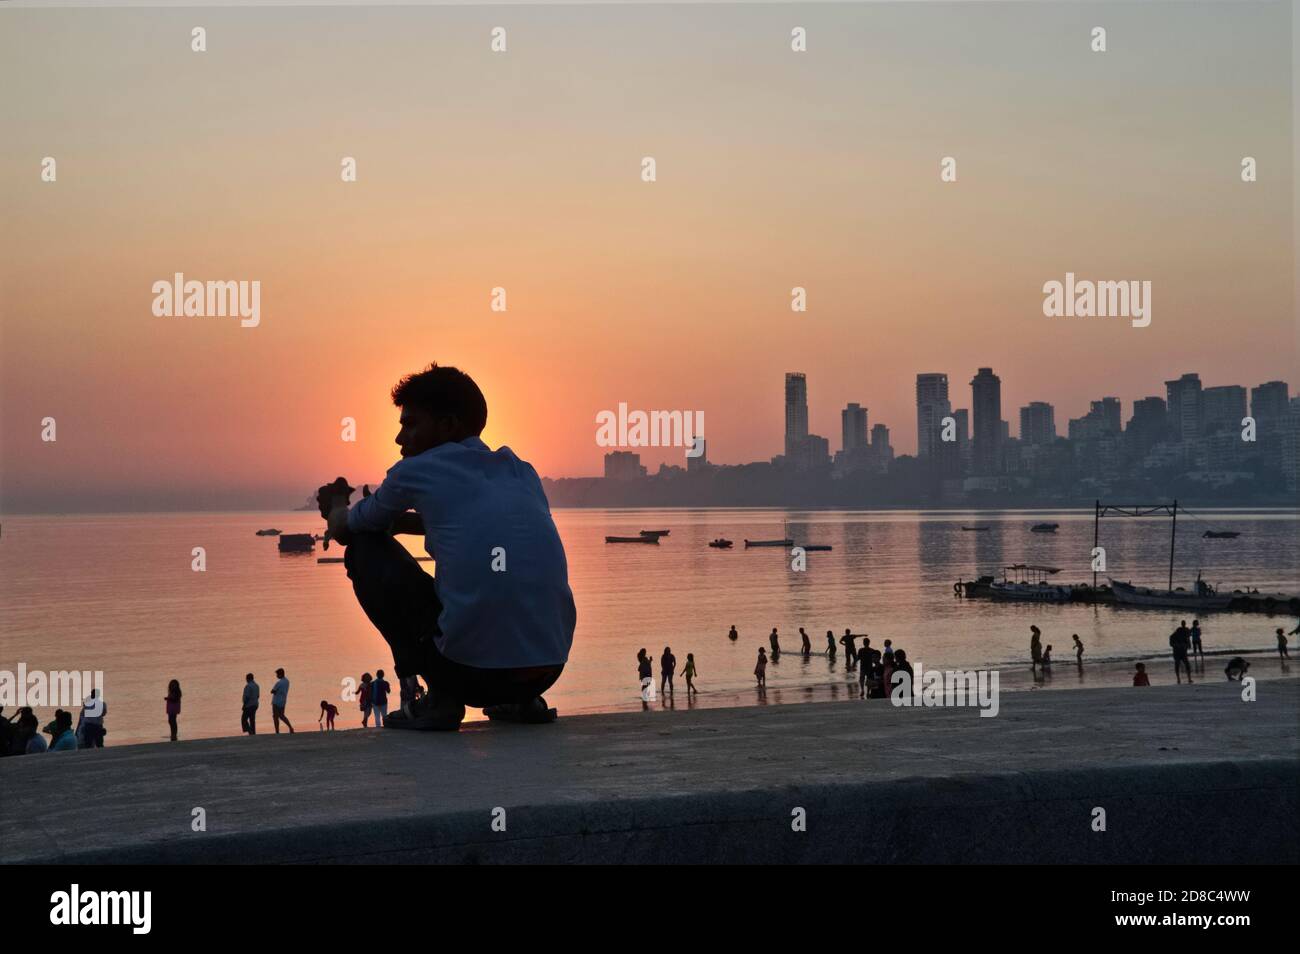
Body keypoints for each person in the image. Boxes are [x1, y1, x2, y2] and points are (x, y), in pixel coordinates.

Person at [323, 363, 576, 730]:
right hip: (547, 669)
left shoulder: (416, 470)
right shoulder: (520, 471)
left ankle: (441, 699)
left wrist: (334, 506)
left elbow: (350, 528)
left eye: (410, 424)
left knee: (363, 549)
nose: (399, 439)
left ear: (447, 426)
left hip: (469, 675)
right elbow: (467, 526)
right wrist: (397, 523)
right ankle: (521, 702)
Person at [270, 668, 294, 733]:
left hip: (276, 701)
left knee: (275, 717)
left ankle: (277, 731)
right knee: (282, 716)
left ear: (280, 674)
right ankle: (290, 727)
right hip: (283, 701)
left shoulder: (279, 683)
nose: (276, 676)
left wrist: (275, 691)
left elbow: (272, 691)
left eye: (277, 674)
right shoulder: (287, 681)